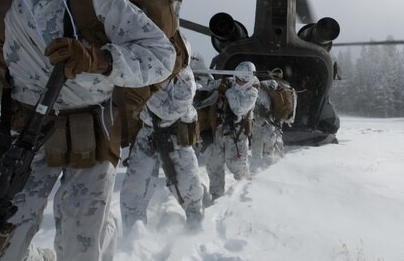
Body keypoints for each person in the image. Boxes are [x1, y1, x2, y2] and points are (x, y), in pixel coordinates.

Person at [0, 0, 176, 260]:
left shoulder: (97, 0)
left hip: (91, 135)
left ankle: (105, 236)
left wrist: (98, 60)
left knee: (79, 248)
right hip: (24, 136)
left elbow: (162, 57)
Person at [120, 54, 205, 233]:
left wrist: (145, 91)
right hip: (147, 134)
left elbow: (170, 110)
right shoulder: (141, 66)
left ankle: (195, 231)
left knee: (188, 188)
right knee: (133, 190)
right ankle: (133, 238)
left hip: (175, 135)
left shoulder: (185, 76)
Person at [204, 61, 259, 201]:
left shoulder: (252, 93)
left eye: (243, 79)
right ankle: (216, 197)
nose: (239, 81)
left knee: (236, 165)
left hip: (237, 134)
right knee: (213, 164)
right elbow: (207, 87)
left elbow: (238, 108)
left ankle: (247, 193)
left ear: (249, 80)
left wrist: (227, 90)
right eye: (238, 78)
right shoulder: (228, 82)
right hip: (219, 131)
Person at [251, 79, 297, 167]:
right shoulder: (285, 89)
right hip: (275, 123)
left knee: (259, 145)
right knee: (273, 144)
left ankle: (261, 167)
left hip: (265, 122)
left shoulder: (261, 88)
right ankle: (274, 164)